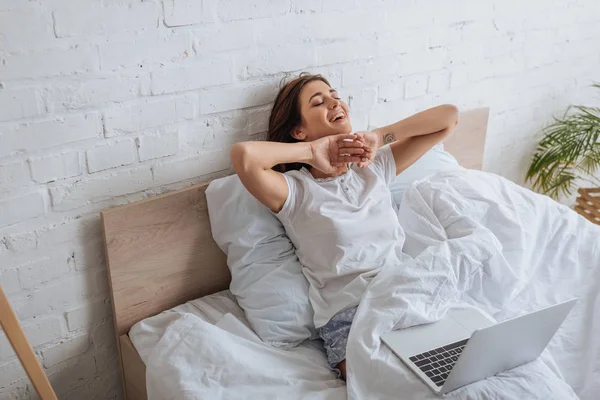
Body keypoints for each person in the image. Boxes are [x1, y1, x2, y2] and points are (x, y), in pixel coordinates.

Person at [230, 73, 459, 379]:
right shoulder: (296, 191)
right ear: (298, 131)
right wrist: (313, 152)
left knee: (454, 374)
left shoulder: (374, 168)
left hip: (404, 294)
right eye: (318, 102)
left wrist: (380, 136)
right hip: (351, 319)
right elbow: (244, 156)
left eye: (334, 94)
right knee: (391, 385)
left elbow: (448, 118)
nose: (334, 101)